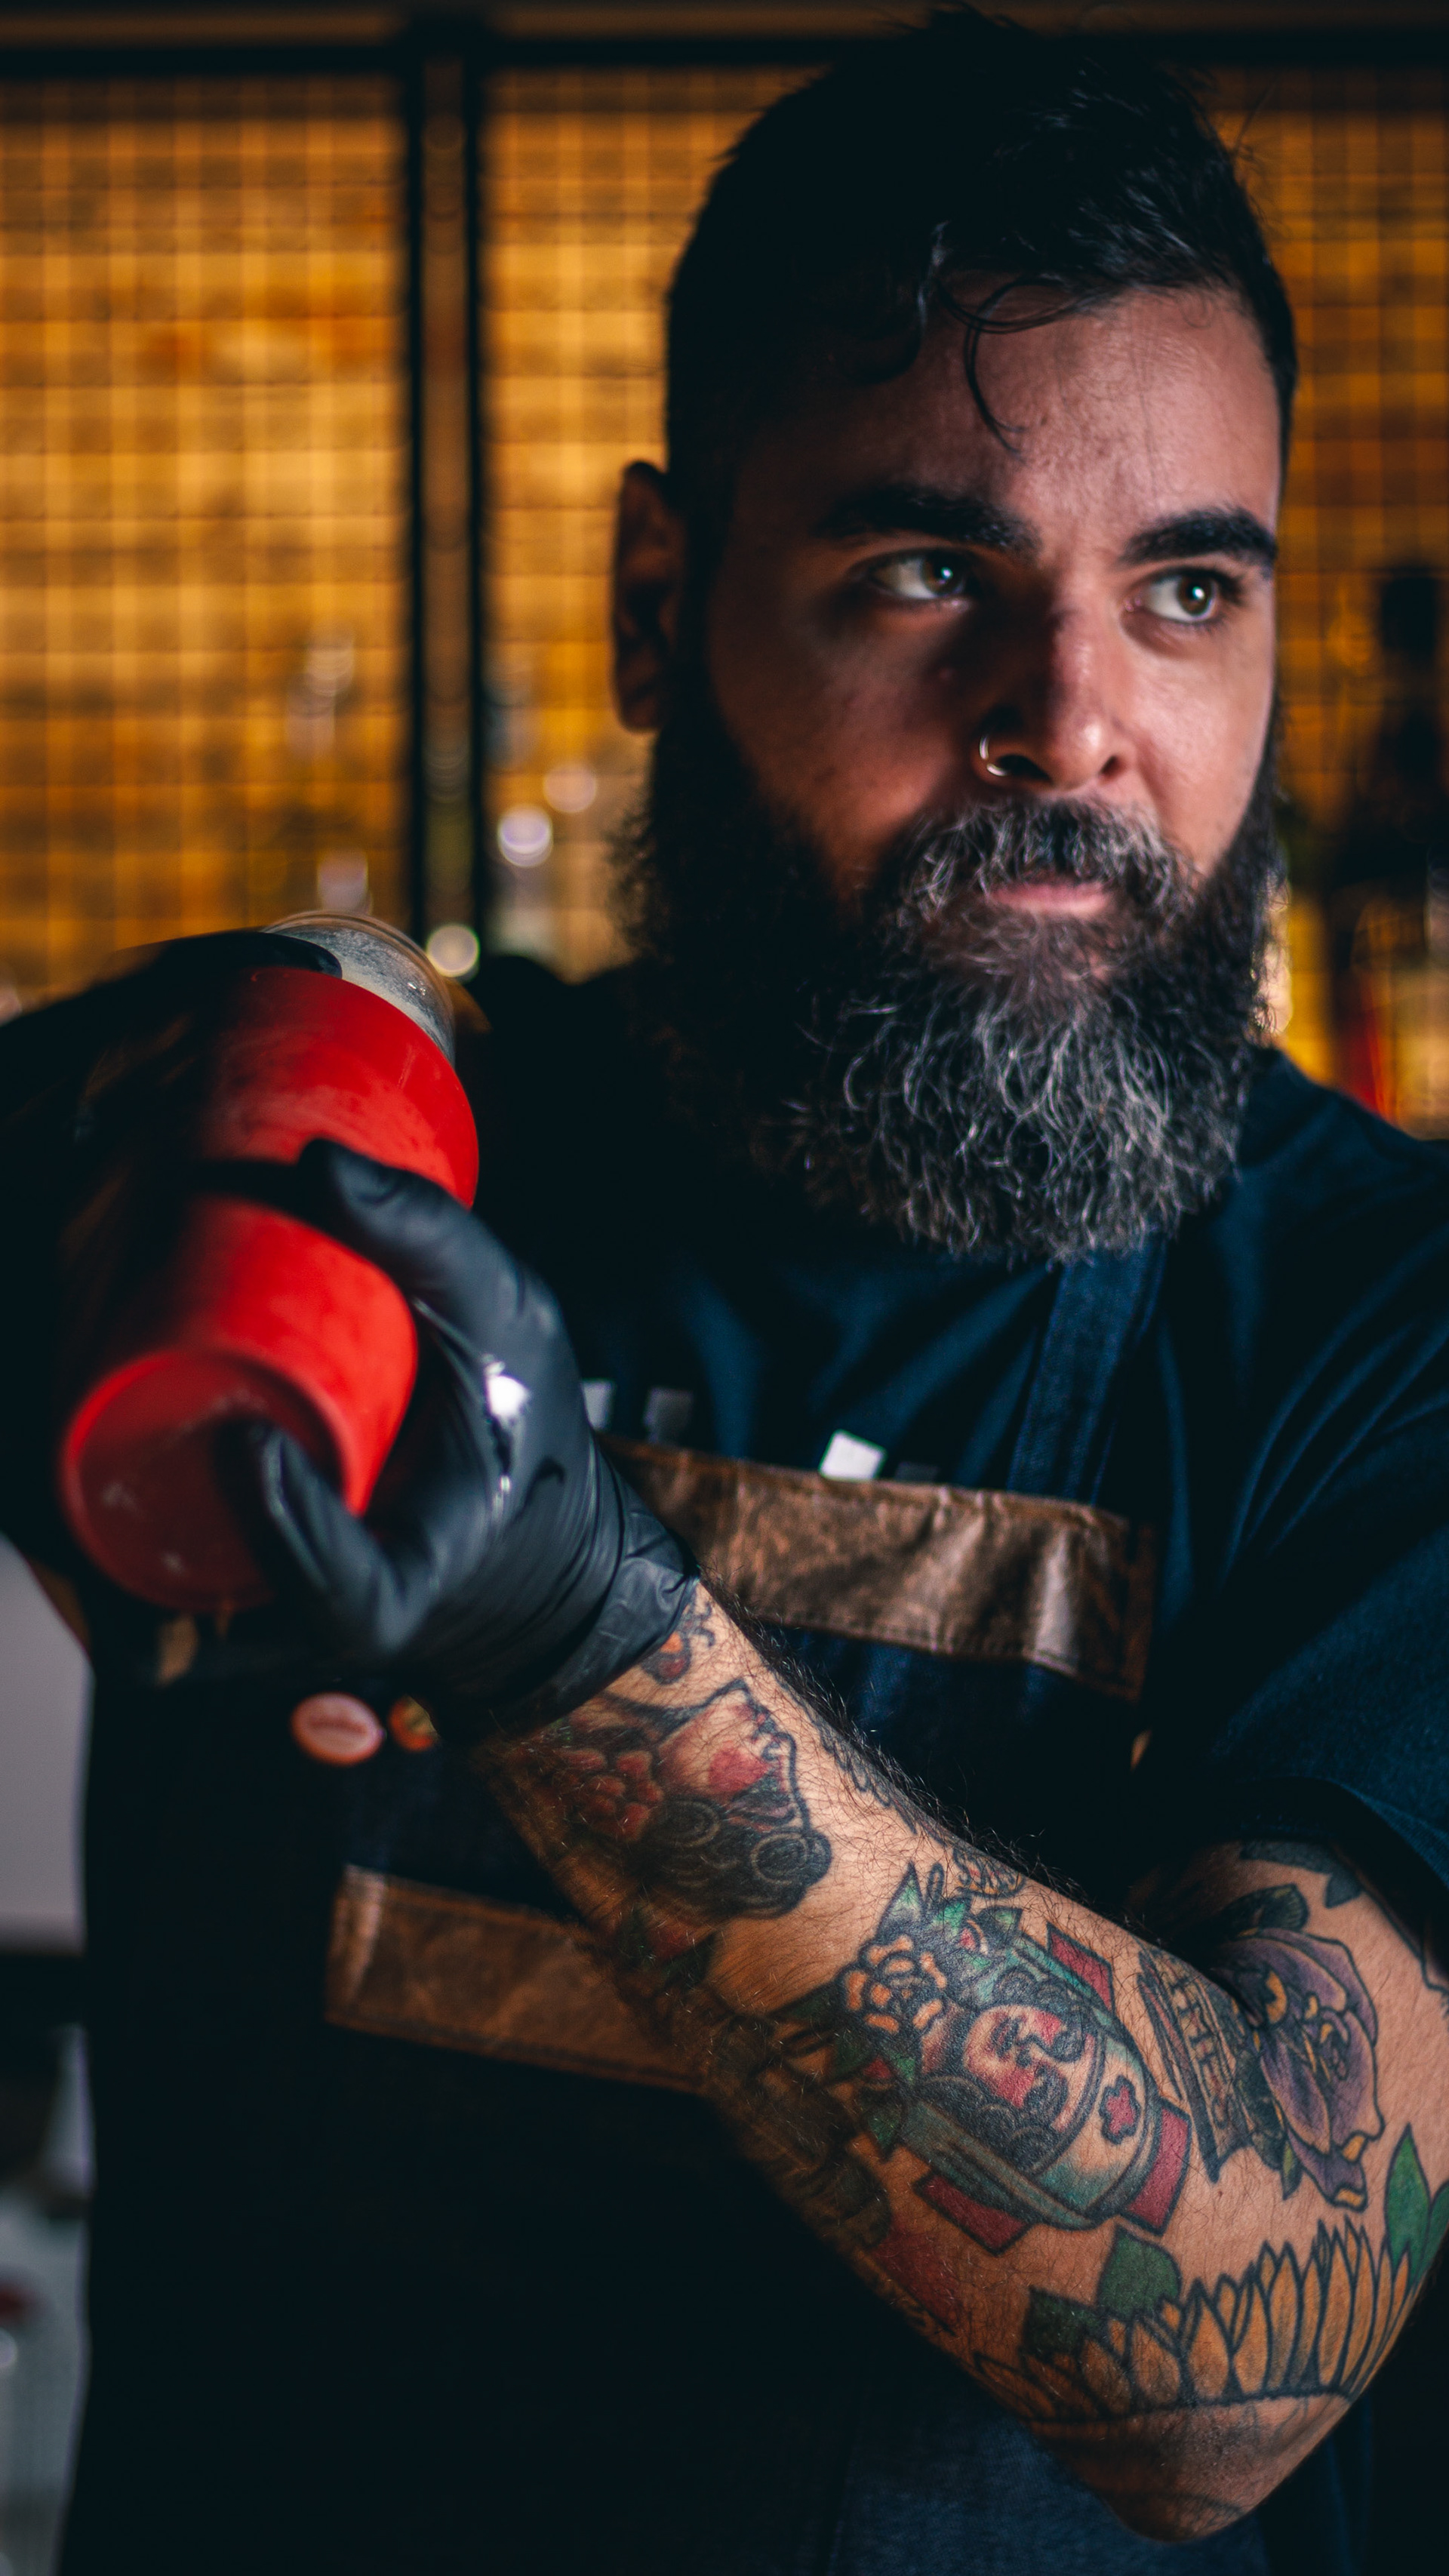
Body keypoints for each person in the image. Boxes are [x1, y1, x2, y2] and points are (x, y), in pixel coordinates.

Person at [2, 12, 1446, 2571]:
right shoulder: (338, 1181)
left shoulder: (1379, 1327)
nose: (1073, 722)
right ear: (660, 610)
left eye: (1185, 590)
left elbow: (1243, 2347)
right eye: (929, 573)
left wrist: (574, 1636)